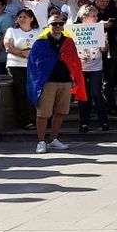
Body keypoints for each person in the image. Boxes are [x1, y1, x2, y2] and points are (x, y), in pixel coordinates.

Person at [26, 14, 87, 153]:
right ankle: (41, 141)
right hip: (47, 82)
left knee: (61, 112)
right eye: (54, 24)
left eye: (60, 23)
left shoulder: (69, 42)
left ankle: (53, 139)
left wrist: (73, 79)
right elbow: (33, 64)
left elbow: (74, 62)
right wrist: (37, 82)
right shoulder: (40, 43)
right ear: (48, 26)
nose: (58, 26)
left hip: (65, 82)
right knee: (43, 113)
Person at [73, 4, 110, 133]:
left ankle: (103, 121)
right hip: (81, 68)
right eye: (93, 16)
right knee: (83, 95)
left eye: (96, 16)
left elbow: (104, 50)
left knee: (96, 93)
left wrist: (105, 42)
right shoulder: (75, 30)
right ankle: (84, 122)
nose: (96, 18)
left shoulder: (98, 30)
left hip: (95, 67)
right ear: (84, 17)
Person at [3, 8, 41, 129]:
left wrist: (32, 54)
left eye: (25, 16)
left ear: (31, 18)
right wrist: (22, 53)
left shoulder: (38, 31)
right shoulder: (12, 31)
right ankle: (26, 120)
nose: (22, 19)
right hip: (16, 65)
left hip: (33, 66)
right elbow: (8, 47)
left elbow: (43, 47)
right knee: (22, 92)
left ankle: (38, 118)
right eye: (20, 17)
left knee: (34, 92)